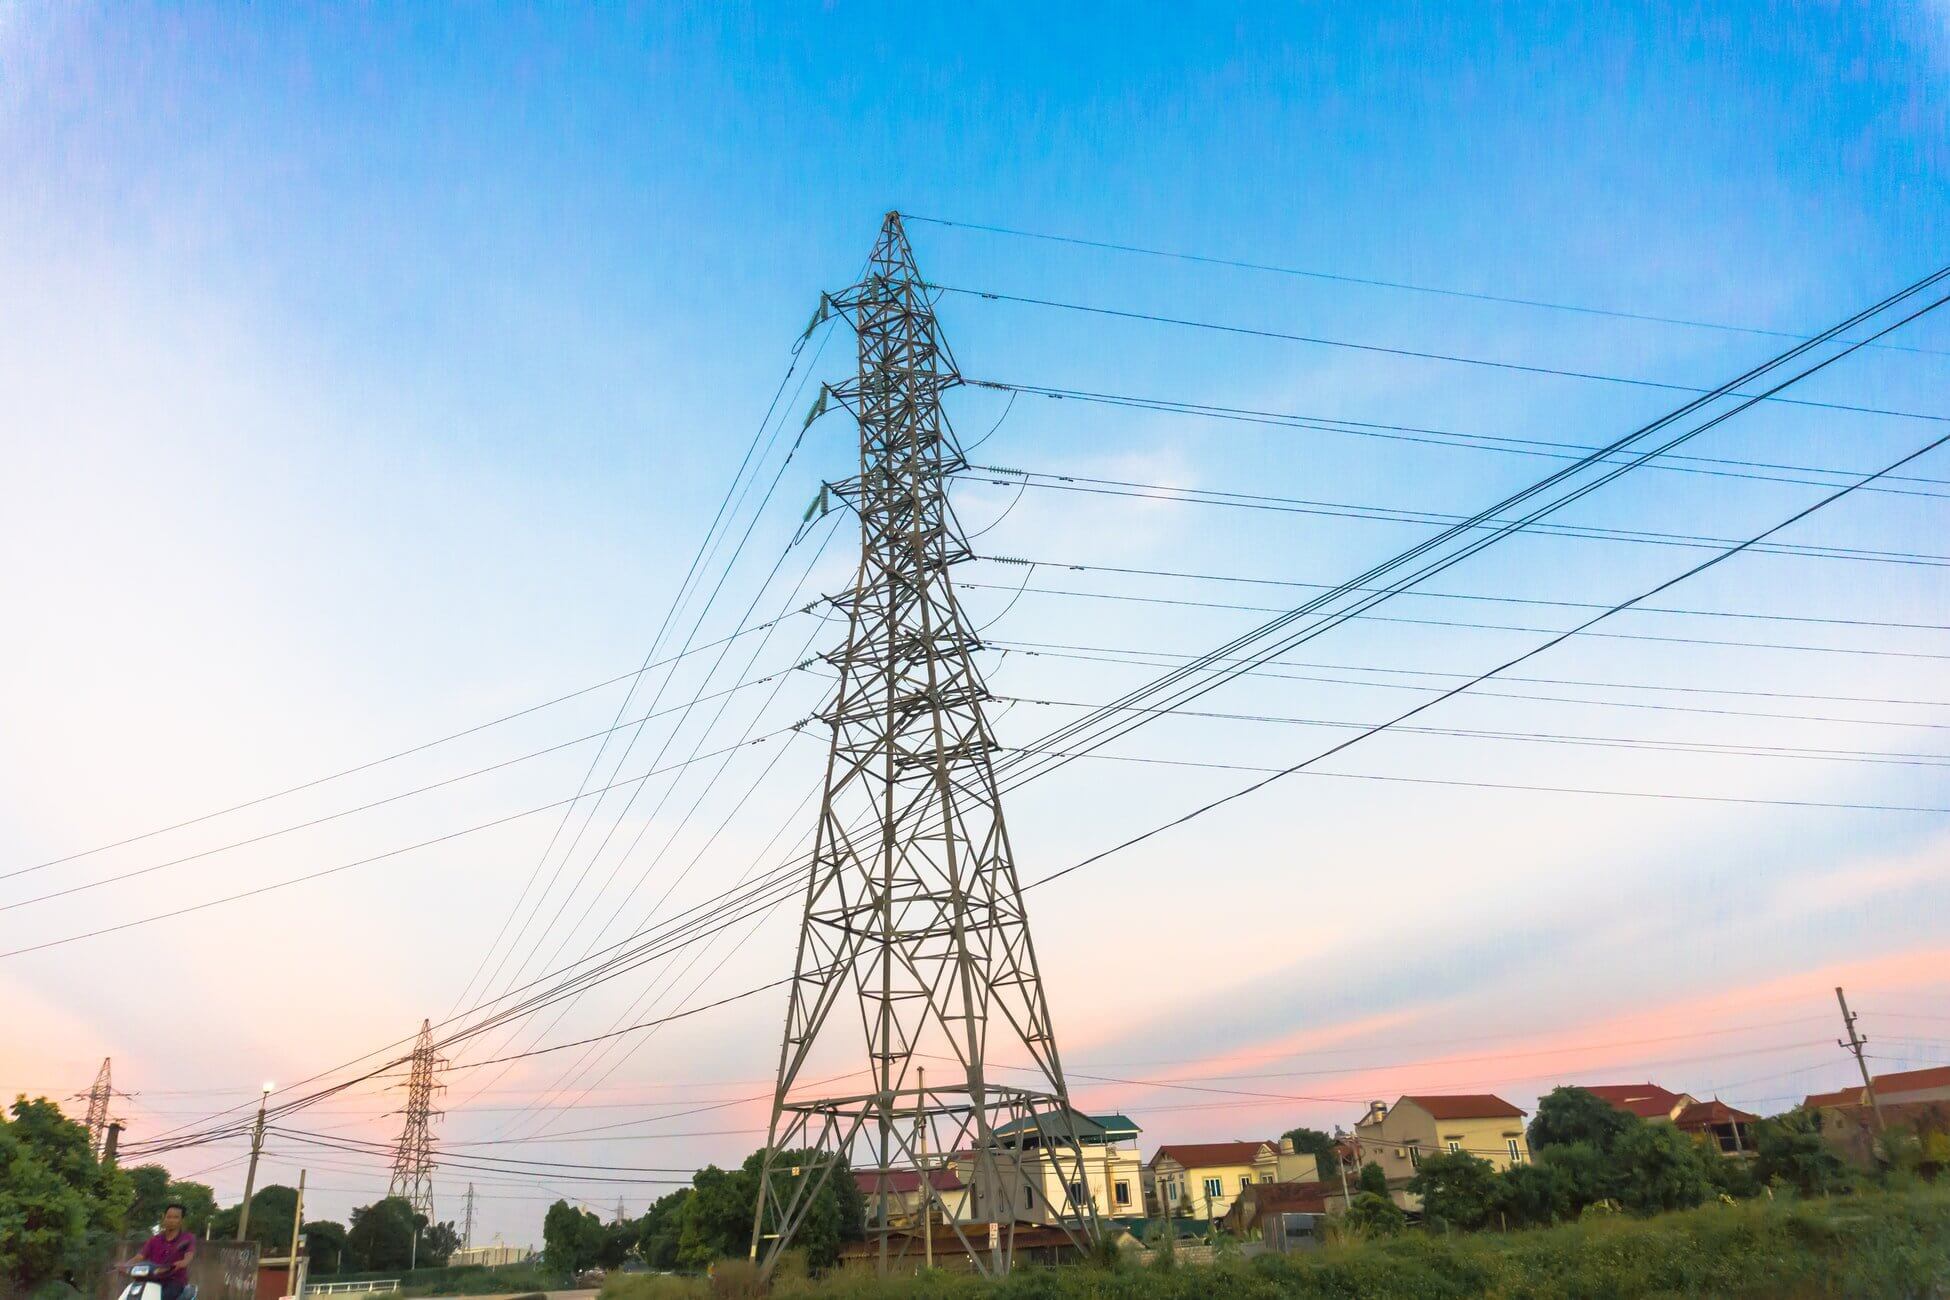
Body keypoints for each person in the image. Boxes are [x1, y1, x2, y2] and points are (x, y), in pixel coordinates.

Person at [125, 1202, 197, 1300]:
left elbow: (189, 1255)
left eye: (175, 1217)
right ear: (164, 1218)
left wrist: (183, 1262)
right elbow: (140, 1256)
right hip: (152, 1279)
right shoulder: (155, 1239)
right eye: (169, 1217)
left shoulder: (187, 1238)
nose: (171, 1220)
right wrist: (126, 1265)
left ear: (181, 1220)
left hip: (174, 1280)